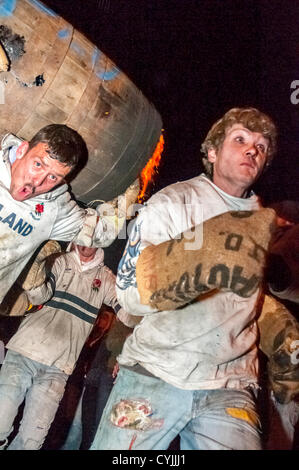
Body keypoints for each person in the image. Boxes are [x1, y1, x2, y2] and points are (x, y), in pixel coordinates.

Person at [90, 107, 279, 451]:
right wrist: (197, 261)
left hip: (231, 386)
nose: (252, 149)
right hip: (157, 371)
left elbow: (257, 302)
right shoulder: (175, 202)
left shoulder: (266, 224)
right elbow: (130, 290)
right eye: (240, 140)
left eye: (261, 146)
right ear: (212, 152)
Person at [0, 242, 131, 450]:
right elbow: (41, 295)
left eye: (93, 237)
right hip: (24, 353)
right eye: (83, 235)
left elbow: (128, 311)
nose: (85, 242)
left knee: (31, 442)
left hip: (57, 369)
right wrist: (34, 276)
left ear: (102, 240)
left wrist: (145, 308)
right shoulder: (58, 260)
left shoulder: (105, 278)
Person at [0, 124, 139, 306]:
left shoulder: (55, 208)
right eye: (38, 164)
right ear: (22, 150)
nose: (37, 182)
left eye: (53, 177)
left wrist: (123, 203)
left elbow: (101, 235)